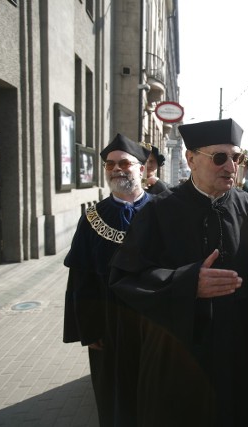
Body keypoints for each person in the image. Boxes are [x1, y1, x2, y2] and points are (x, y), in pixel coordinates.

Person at [108, 118, 248, 426]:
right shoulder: (158, 210)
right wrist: (186, 282)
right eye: (219, 158)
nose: (231, 167)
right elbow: (125, 278)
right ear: (190, 159)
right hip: (179, 349)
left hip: (236, 350)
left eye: (236, 157)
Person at [63, 133, 156, 426]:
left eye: (124, 163)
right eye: (110, 164)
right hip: (109, 325)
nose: (116, 169)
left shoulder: (165, 210)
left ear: (141, 168)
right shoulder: (92, 217)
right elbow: (81, 278)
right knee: (115, 399)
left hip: (155, 325)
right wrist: (89, 331)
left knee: (156, 393)